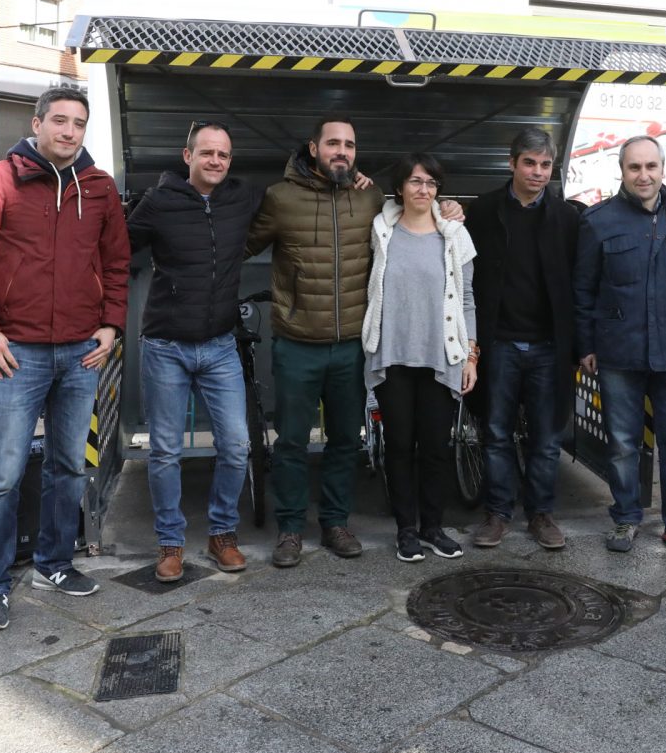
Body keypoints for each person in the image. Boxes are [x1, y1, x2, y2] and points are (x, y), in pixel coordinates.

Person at [0, 87, 129, 632]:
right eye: (60, 122)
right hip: (15, 355)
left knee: (70, 466)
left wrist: (111, 324)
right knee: (2, 476)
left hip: (80, 354)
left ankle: (54, 563)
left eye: (79, 123)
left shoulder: (98, 188)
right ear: (37, 123)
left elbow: (116, 263)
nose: (70, 132)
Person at [245, 116, 461, 567]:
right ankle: (289, 530)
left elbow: (420, 213)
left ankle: (336, 523)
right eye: (333, 143)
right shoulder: (280, 198)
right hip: (298, 342)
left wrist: (454, 208)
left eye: (349, 145)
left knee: (347, 440)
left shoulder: (369, 199)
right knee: (290, 442)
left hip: (351, 346)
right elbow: (241, 245)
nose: (341, 151)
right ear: (313, 147)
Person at [126, 121, 261, 580]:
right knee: (165, 451)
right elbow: (115, 246)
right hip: (165, 345)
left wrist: (361, 179)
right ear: (188, 156)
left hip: (220, 344)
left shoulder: (240, 198)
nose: (216, 161)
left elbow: (299, 183)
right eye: (207, 153)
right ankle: (170, 544)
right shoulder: (160, 201)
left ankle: (222, 534)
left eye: (223, 154)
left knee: (237, 446)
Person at [574, 135, 666, 560]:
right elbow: (583, 289)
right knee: (622, 443)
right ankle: (626, 516)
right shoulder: (598, 221)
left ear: (663, 169)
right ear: (622, 170)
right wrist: (586, 345)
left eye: (651, 166)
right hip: (619, 351)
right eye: (634, 167)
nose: (643, 175)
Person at [464, 128, 578, 550]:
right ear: (511, 163)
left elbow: (579, 286)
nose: (537, 172)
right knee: (495, 433)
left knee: (547, 438)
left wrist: (580, 345)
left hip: (549, 347)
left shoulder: (567, 218)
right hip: (500, 345)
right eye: (529, 162)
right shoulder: (483, 212)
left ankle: (541, 515)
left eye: (545, 164)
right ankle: (497, 515)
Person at [362, 153, 477, 562]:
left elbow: (466, 300)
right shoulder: (380, 229)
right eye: (414, 181)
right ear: (400, 188)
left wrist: (471, 357)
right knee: (398, 447)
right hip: (392, 355)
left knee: (435, 447)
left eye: (430, 183)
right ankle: (405, 530)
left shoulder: (455, 235)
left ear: (439, 189)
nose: (422, 189)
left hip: (440, 356)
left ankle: (433, 527)